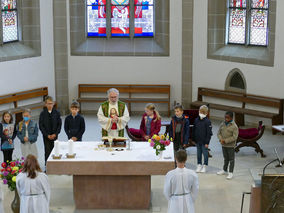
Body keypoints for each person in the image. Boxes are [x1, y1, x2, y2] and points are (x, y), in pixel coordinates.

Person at [39, 96, 62, 164]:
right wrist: (47, 135)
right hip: (46, 136)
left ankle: (55, 165)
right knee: (47, 151)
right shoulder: (42, 114)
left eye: (51, 103)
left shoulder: (57, 112)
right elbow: (41, 125)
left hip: (55, 135)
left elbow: (59, 124)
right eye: (48, 103)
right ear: (45, 104)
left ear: (53, 103)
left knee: (55, 150)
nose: (50, 105)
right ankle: (47, 166)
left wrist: (56, 134)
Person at [217, 111, 239, 180]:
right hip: (223, 145)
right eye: (225, 117)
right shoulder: (222, 124)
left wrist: (225, 141)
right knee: (225, 158)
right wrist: (221, 139)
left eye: (228, 118)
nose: (226, 119)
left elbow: (234, 137)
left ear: (231, 118)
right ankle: (224, 170)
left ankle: (231, 173)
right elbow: (218, 133)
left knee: (231, 159)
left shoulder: (234, 126)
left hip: (230, 146)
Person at [192, 105, 213, 173]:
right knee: (198, 153)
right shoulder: (196, 120)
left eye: (203, 112)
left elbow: (209, 133)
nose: (201, 113)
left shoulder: (207, 121)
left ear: (206, 113)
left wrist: (207, 142)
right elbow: (194, 129)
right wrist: (194, 139)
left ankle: (205, 165)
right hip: (198, 141)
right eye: (200, 112)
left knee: (205, 153)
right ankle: (199, 164)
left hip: (204, 142)